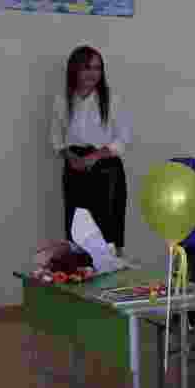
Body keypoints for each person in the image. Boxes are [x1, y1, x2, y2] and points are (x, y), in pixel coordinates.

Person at [51, 45, 131, 254]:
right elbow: (56, 139)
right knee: (77, 234)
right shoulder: (62, 99)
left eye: (97, 68)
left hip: (106, 171)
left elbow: (123, 138)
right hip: (75, 171)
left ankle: (110, 281)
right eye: (87, 67)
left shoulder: (112, 98)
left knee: (108, 235)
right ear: (75, 69)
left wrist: (95, 156)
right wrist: (70, 157)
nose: (92, 73)